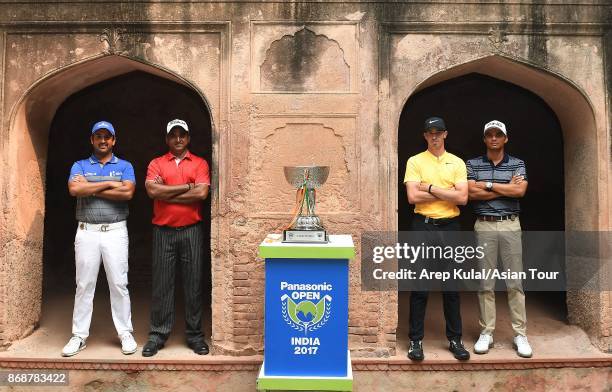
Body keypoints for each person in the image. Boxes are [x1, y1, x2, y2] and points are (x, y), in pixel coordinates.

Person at [62, 120, 137, 357]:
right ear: (92, 140)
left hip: (115, 231)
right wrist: (108, 183)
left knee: (118, 284)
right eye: (98, 137)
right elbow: (74, 190)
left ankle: (125, 333)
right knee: (84, 285)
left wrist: (90, 185)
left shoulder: (124, 166)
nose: (103, 141)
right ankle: (79, 336)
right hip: (87, 231)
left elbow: (127, 192)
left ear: (114, 140)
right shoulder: (80, 164)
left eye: (107, 137)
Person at [142, 119, 211, 357]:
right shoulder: (157, 163)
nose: (178, 139)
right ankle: (157, 335)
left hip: (191, 230)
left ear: (188, 138)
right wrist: (184, 188)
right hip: (163, 232)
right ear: (167, 139)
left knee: (193, 285)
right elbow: (152, 191)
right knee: (163, 284)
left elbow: (201, 193)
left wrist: (166, 192)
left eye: (183, 135)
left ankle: (195, 336)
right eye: (174, 135)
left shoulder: (199, 163)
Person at [403, 116, 470, 361]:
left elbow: (462, 199)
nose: (434, 136)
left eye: (438, 132)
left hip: (450, 226)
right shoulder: (415, 161)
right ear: (424, 135)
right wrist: (447, 193)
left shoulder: (457, 162)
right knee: (420, 286)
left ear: (445, 134)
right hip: (423, 225)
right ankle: (415, 341)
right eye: (430, 132)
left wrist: (429, 188)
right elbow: (412, 197)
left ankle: (455, 339)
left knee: (451, 286)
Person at [466, 120, 532, 358]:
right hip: (484, 225)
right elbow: (470, 193)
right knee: (486, 283)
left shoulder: (517, 163)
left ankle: (520, 334)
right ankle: (487, 332)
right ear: (484, 139)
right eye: (489, 135)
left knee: (514, 282)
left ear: (506, 138)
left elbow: (519, 192)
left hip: (511, 223)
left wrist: (489, 185)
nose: (494, 138)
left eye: (498, 134)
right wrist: (504, 186)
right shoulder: (472, 164)